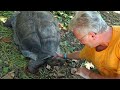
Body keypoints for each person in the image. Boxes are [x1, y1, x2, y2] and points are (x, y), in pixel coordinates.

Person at [55, 11, 120, 79]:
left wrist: (89, 74)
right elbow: (81, 54)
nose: (81, 42)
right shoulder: (94, 44)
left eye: (80, 39)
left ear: (92, 35)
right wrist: (63, 55)